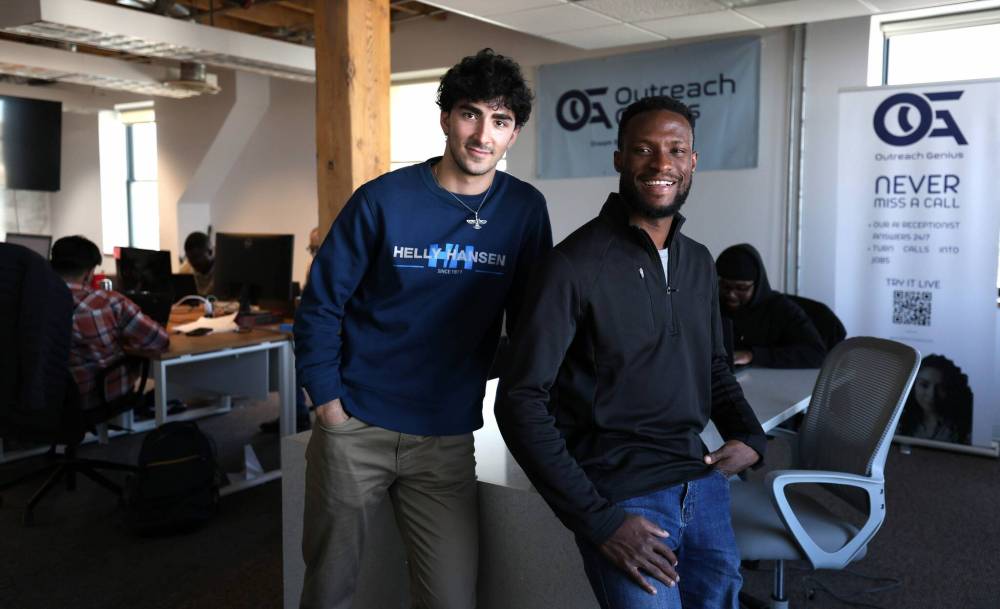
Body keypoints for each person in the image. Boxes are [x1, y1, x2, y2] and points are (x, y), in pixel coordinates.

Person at [294, 48, 552, 609]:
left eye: (500, 120)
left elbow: (538, 319)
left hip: (445, 437)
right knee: (330, 588)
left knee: (451, 598)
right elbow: (319, 305)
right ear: (445, 119)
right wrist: (329, 408)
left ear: (514, 134)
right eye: (471, 114)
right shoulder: (383, 200)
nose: (483, 134)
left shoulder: (525, 211)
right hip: (355, 427)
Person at [496, 96, 765, 609]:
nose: (661, 164)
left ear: (692, 162)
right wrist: (599, 521)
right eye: (644, 150)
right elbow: (520, 400)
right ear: (619, 159)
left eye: (675, 150)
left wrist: (749, 434)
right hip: (624, 499)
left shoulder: (698, 262)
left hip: (701, 482)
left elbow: (712, 365)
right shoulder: (572, 266)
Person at [50, 236, 169, 410]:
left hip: (45, 398)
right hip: (95, 396)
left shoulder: (29, 301)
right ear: (89, 272)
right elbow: (159, 341)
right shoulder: (110, 303)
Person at [715, 243, 826, 368]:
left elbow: (816, 353)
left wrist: (753, 355)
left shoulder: (781, 309)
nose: (731, 294)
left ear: (757, 286)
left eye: (741, 288)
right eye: (725, 286)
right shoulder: (712, 306)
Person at [259, 226, 322, 434]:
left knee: (292, 353)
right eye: (311, 249)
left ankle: (299, 413)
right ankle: (296, 412)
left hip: (332, 330)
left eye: (317, 249)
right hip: (312, 323)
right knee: (288, 352)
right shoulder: (312, 265)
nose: (314, 254)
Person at [897, 354, 973, 444]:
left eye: (941, 387)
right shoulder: (898, 420)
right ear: (913, 385)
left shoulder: (965, 428)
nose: (932, 395)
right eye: (924, 385)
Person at [178, 231, 214, 296]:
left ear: (210, 252)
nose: (194, 262)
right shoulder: (186, 270)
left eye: (197, 257)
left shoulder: (223, 269)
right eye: (190, 258)